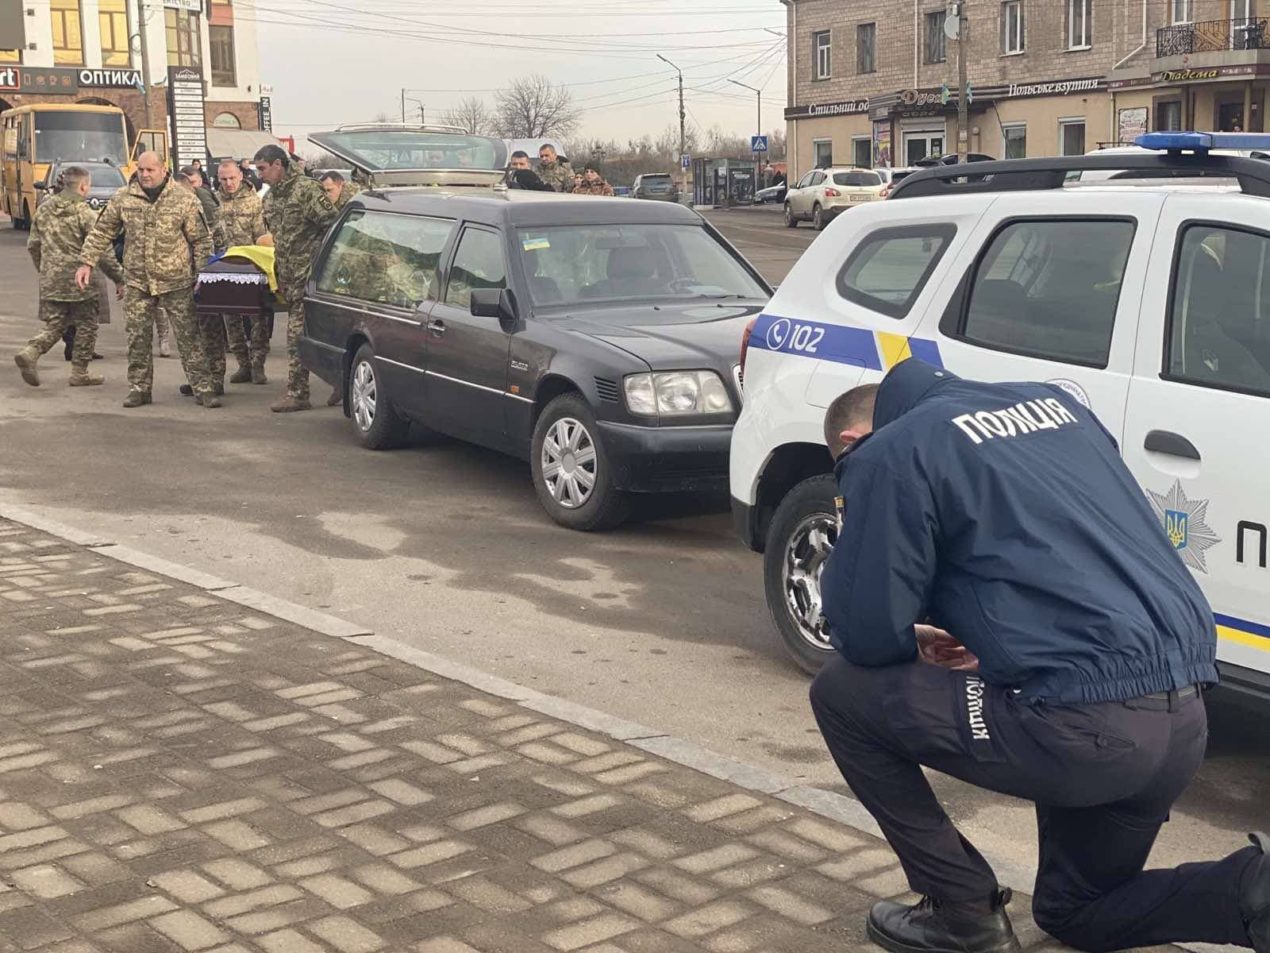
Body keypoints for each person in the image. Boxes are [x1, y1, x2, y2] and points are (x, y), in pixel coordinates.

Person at [809, 359, 1269, 953]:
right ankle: (1254, 892)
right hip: (1183, 721)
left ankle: (962, 911)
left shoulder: (891, 450)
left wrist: (905, 626)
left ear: (852, 441)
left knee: (840, 693)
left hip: (1085, 728)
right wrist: (997, 640)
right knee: (1074, 911)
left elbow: (864, 630)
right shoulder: (1057, 407)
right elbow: (1051, 551)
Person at [76, 151, 217, 408]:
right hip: (137, 280)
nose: (145, 175)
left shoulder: (184, 199)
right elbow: (102, 231)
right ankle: (139, 389)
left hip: (176, 281)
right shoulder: (124, 197)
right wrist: (87, 262)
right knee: (137, 338)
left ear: (164, 169)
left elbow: (201, 241)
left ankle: (203, 388)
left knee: (189, 338)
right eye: (141, 169)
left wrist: (202, 276)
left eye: (150, 170)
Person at [13, 166, 124, 387]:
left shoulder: (43, 210)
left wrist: (44, 269)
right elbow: (102, 251)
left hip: (51, 279)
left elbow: (33, 245)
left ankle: (31, 351)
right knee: (87, 324)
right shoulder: (85, 213)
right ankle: (80, 372)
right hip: (81, 281)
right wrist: (119, 278)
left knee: (56, 324)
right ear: (83, 186)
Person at [254, 144, 339, 413]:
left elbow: (334, 228)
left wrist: (323, 268)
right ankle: (341, 380)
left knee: (296, 337)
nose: (259, 175)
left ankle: (298, 393)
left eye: (262, 169)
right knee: (321, 335)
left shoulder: (306, 190)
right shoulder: (270, 199)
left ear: (278, 164)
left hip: (312, 278)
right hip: (290, 279)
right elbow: (279, 240)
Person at [214, 158, 270, 386]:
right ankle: (243, 365)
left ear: (240, 176)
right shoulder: (214, 203)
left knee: (257, 320)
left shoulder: (254, 203)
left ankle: (258, 365)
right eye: (223, 179)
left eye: (232, 178)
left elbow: (263, 238)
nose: (228, 183)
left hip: (251, 268)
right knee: (231, 321)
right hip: (224, 269)